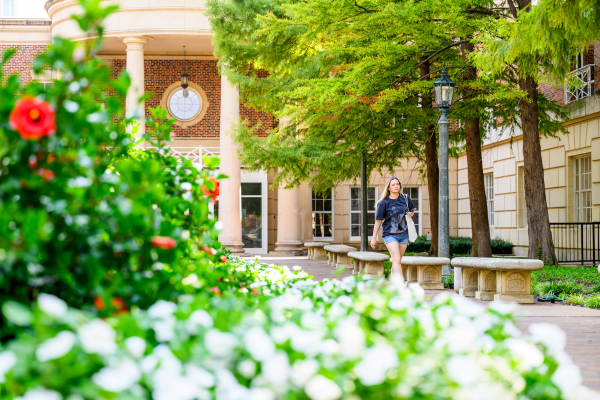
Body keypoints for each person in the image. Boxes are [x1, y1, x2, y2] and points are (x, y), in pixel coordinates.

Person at [370, 176, 415, 278]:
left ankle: (393, 285)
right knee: (397, 260)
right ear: (388, 188)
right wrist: (374, 237)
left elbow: (411, 211)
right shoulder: (383, 203)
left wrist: (411, 213)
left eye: (397, 184)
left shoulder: (405, 198)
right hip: (390, 234)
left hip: (404, 233)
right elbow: (378, 221)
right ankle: (401, 285)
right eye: (393, 185)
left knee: (397, 261)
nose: (396, 186)